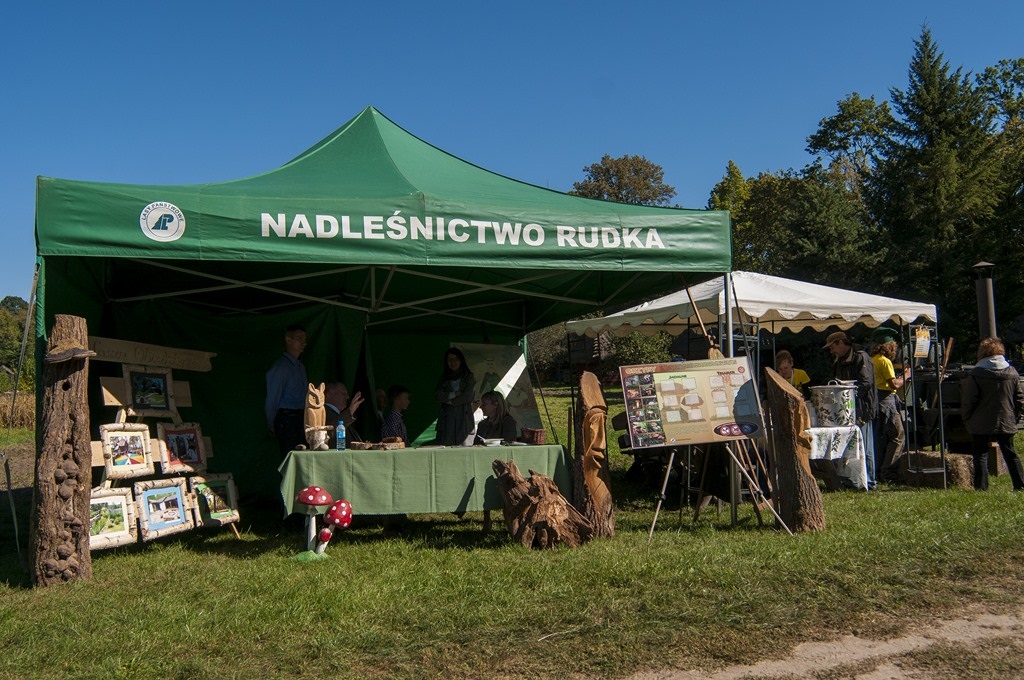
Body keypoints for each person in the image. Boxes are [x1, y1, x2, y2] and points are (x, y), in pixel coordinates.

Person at [960, 337, 1024, 491]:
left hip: (980, 420)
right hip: (1006, 418)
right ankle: (1020, 485)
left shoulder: (976, 374)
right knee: (1010, 454)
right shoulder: (1012, 372)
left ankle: (981, 488)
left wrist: (967, 417)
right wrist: (1015, 417)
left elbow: (970, 400)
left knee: (980, 455)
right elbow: (1020, 399)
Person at [824, 331, 878, 488]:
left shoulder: (860, 357)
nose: (832, 351)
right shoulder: (840, 360)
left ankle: (870, 481)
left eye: (832, 347)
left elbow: (865, 382)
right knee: (851, 447)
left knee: (865, 446)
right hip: (847, 409)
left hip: (863, 407)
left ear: (841, 343)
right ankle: (853, 479)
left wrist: (847, 394)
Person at [265, 324, 309, 457]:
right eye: (299, 338)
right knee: (290, 457)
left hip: (301, 418)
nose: (303, 343)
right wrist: (271, 423)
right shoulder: (280, 368)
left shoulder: (300, 367)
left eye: (304, 339)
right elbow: (272, 399)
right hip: (287, 419)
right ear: (288, 340)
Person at [870, 334, 908, 483]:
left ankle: (878, 471)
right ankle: (888, 473)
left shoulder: (873, 359)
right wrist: (907, 375)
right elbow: (894, 384)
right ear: (890, 346)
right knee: (898, 436)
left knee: (881, 438)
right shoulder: (885, 361)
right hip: (886, 401)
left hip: (876, 400)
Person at [435, 347, 476, 446]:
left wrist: (449, 401)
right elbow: (438, 395)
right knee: (447, 448)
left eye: (455, 359)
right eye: (449, 360)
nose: (452, 362)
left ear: (461, 360)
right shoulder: (444, 378)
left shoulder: (468, 377)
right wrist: (454, 394)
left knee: (465, 449)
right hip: (447, 419)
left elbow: (467, 397)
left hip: (464, 419)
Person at [325, 382, 364, 447]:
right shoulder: (323, 412)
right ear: (328, 395)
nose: (347, 397)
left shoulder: (339, 414)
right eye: (343, 393)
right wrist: (350, 411)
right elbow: (329, 431)